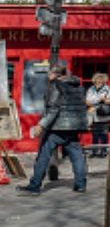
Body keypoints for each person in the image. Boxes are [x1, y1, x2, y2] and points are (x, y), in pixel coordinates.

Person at [18, 63, 89, 194]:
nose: (48, 76)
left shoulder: (56, 86)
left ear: (56, 74)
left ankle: (34, 186)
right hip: (73, 127)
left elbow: (53, 109)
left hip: (57, 127)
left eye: (49, 73)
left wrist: (41, 125)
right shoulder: (78, 87)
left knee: (43, 156)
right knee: (77, 157)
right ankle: (80, 185)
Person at [85, 71, 110, 157]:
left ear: (104, 81)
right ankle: (94, 151)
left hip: (104, 115)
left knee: (104, 134)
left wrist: (105, 100)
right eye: (96, 81)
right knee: (94, 135)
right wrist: (99, 99)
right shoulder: (91, 89)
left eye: (100, 81)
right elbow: (87, 101)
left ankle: (103, 151)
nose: (98, 83)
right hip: (93, 116)